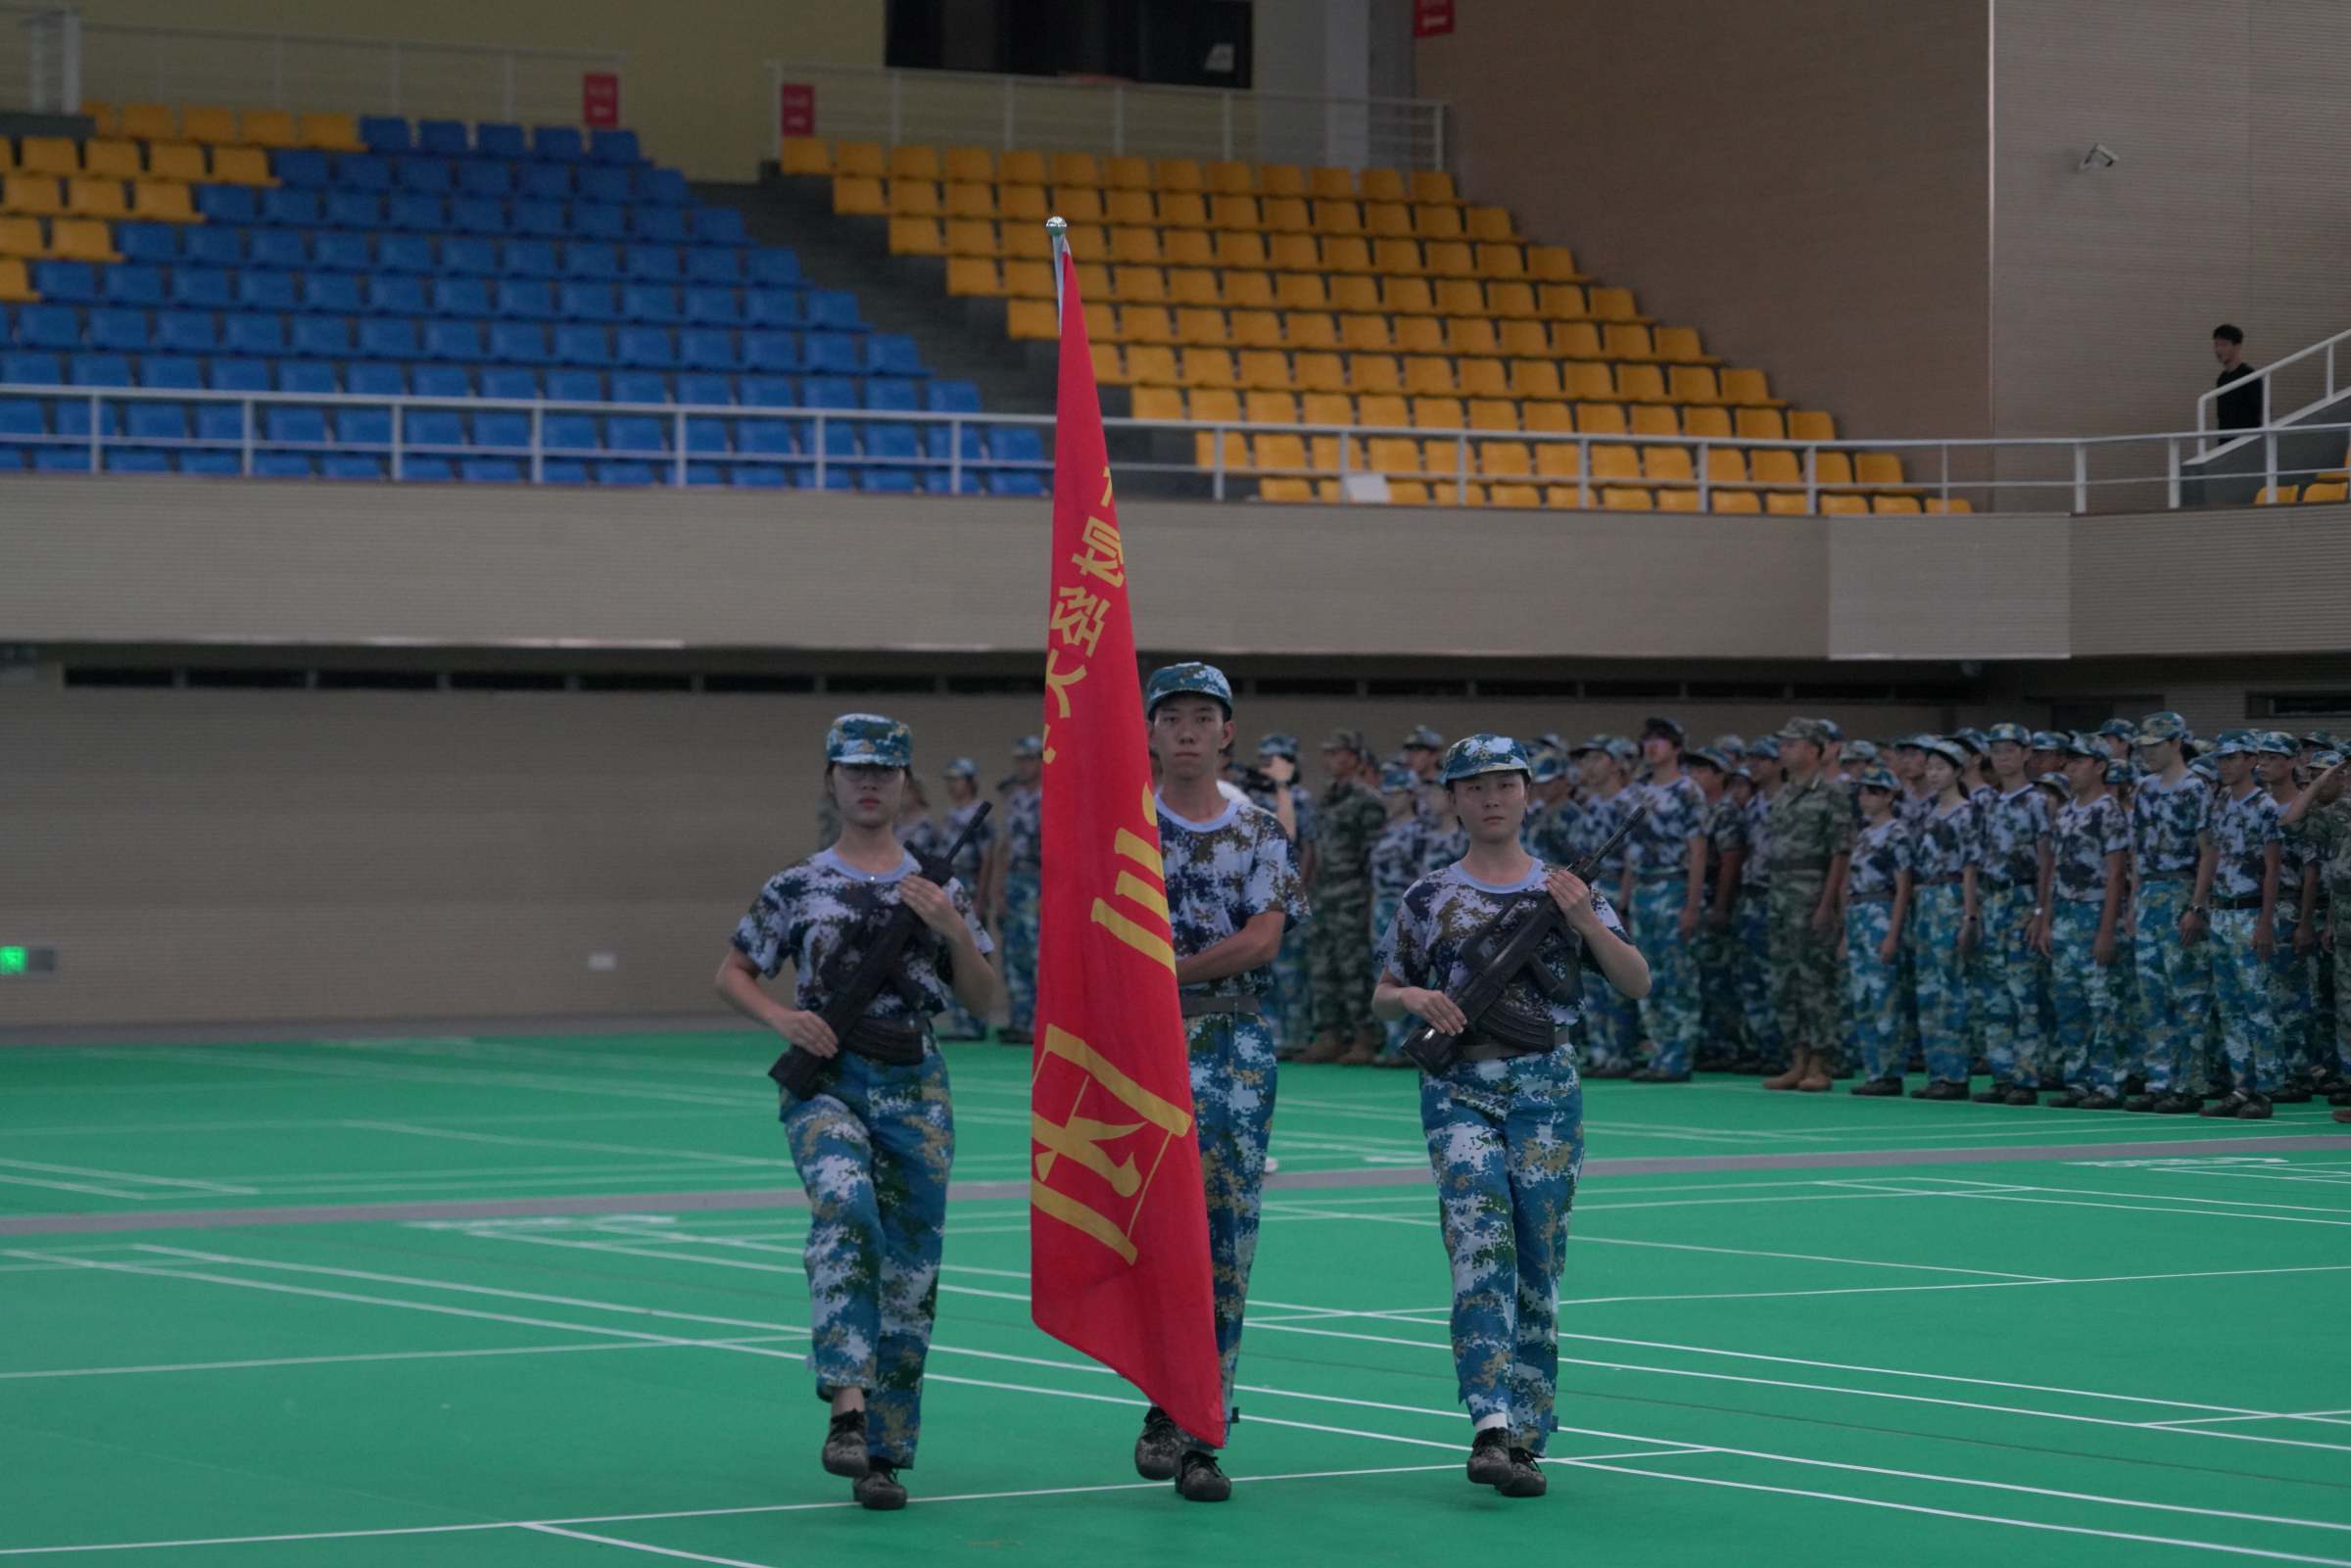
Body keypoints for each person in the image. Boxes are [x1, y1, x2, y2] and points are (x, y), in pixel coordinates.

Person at [714, 714, 1000, 1511]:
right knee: (845, 1206)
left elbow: (989, 997)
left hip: (917, 1084)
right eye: (853, 768)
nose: (869, 782)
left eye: (885, 769)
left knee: (911, 1272)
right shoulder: (798, 883)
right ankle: (845, 1405)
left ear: (907, 782)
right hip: (828, 1081)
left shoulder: (936, 889)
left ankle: (882, 1451)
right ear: (830, 779)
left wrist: (952, 928)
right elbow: (733, 970)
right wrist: (782, 1019)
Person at [1373, 735, 1650, 1500]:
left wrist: (1587, 919)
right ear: (1453, 799)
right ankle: (1489, 1421)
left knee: (1539, 1254)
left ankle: (1528, 1430)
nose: (1491, 798)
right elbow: (1385, 987)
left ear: (1529, 793)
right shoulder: (1429, 896)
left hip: (1548, 1089)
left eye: (1505, 784)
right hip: (1460, 1084)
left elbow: (1635, 980)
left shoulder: (1565, 888)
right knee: (1478, 1242)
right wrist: (1414, 999)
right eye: (1474, 786)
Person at [1131, 662, 1306, 1503]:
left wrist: (1169, 970)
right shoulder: (1122, 825)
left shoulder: (1261, 830)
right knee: (1150, 1236)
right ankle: (1161, 1399)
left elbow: (1262, 940)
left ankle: (1203, 1425)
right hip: (1139, 1053)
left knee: (1224, 1241)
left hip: (1229, 1041)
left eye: (1206, 715)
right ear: (1153, 731)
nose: (1190, 730)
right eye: (1174, 716)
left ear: (1228, 730)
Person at [2036, 736, 2131, 1110]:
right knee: (2069, 1002)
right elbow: (2054, 869)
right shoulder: (2066, 812)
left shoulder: (2107, 811)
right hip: (2065, 914)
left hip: (2095, 912)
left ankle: (2108, 1082)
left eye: (2079, 762)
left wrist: (2107, 930)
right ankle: (2077, 1078)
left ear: (2100, 766)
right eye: (2068, 762)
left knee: (2102, 1002)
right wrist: (2044, 918)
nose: (2070, 768)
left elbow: (2116, 874)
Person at [2123, 713, 2210, 1113]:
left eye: (2155, 745)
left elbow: (2209, 850)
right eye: (2143, 746)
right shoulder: (2143, 788)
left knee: (2187, 991)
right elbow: (2138, 852)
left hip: (2180, 888)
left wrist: (2197, 904)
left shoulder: (2195, 788)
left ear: (2176, 743)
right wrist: (2134, 902)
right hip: (2150, 893)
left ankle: (2190, 1082)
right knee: (2152, 993)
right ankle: (2160, 1080)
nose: (2147, 753)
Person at [2191, 732, 2282, 1118]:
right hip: (2222, 913)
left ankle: (2265, 1088)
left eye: (2233, 758)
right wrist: (2198, 904)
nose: (2225, 765)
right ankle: (2240, 1087)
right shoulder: (2220, 801)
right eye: (2221, 759)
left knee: (2257, 1004)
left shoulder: (2264, 806)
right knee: (2229, 1006)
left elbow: (2273, 868)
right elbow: (2210, 854)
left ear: (2251, 760)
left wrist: (2265, 922)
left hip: (2248, 912)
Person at [1760, 719, 1852, 1091]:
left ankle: (1821, 1060)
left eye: (1792, 744)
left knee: (1816, 979)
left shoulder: (1832, 794)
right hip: (1780, 895)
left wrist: (1828, 903)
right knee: (1785, 981)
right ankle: (1797, 1057)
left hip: (1812, 892)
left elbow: (1840, 854)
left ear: (1814, 750)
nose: (1784, 750)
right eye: (1782, 744)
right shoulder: (1782, 795)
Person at [1621, 717, 1708, 1083]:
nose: (1652, 747)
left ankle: (1679, 1054)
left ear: (1676, 748)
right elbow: (1628, 850)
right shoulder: (1637, 792)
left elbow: (1698, 850)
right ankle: (1658, 1051)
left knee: (1677, 976)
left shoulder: (1688, 791)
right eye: (1647, 740)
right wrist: (1622, 903)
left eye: (1661, 740)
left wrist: (1691, 904)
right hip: (1643, 888)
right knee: (1647, 974)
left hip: (1673, 887)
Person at [1973, 723, 2052, 1105]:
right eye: (1996, 750)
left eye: (2009, 749)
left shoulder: (2036, 802)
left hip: (2022, 896)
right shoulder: (1984, 801)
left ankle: (2027, 1076)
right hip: (1992, 899)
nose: (2002, 757)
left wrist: (2041, 910)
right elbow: (1975, 860)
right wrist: (1971, 913)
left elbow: (2046, 861)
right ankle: (2002, 1073)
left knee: (2024, 991)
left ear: (2026, 754)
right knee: (1995, 992)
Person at [1304, 729, 1391, 1066]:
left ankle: (1364, 1036)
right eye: (1328, 753)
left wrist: (1371, 900)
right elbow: (1313, 846)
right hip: (1324, 893)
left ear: (1354, 759)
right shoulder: (1326, 798)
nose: (1332, 760)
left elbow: (1373, 856)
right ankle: (1329, 1034)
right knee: (1323, 966)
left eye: (1339, 753)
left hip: (1353, 894)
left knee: (1353, 967)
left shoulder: (1367, 800)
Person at [1908, 737, 1981, 1099]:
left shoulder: (1967, 812)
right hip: (1927, 899)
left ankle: (1955, 1074)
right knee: (1928, 989)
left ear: (1957, 771)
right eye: (1930, 767)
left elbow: (1970, 867)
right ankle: (1936, 1071)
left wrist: (1969, 916)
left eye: (1941, 767)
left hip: (1952, 896)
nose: (1934, 774)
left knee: (1952, 988)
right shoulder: (1924, 812)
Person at [2280, 751, 2351, 1117]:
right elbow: (2290, 822)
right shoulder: (2340, 813)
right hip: (2345, 925)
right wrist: (2321, 784)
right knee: (2346, 1011)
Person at [1565, 737, 1640, 1077]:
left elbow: (1634, 861)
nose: (1589, 765)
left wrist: (1624, 902)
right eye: (1586, 759)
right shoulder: (1588, 805)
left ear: (1616, 763)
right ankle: (1602, 1051)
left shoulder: (1629, 804)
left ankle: (1622, 1052)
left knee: (1618, 975)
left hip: (1618, 897)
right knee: (1592, 980)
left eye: (1597, 757)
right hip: (1587, 898)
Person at [2257, 731, 2322, 1102]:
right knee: (2264, 993)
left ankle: (2298, 1071)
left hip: (2291, 901)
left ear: (2293, 762)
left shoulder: (2302, 806)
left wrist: (2305, 921)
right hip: (2260, 903)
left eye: (2274, 758)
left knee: (2292, 995)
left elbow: (2312, 869)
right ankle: (2273, 1069)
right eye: (2262, 758)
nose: (2265, 764)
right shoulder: (2259, 804)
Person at [1245, 734, 1318, 1061]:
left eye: (1275, 760)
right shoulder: (1247, 797)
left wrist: (1296, 888)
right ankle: (1270, 1033)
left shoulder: (1298, 798)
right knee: (1264, 969)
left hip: (1287, 897)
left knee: (1292, 974)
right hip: (1253, 899)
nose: (1267, 766)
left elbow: (1301, 846)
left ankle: (1297, 1036)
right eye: (1264, 759)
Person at [1844, 766, 1914, 1094]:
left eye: (1873, 791)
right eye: (1862, 791)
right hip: (1859, 912)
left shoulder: (1897, 832)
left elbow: (1903, 887)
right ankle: (1873, 1069)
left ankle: (1890, 1070)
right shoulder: (1863, 833)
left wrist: (1893, 934)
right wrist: (1846, 932)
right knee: (1863, 996)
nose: (1865, 798)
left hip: (1881, 912)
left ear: (1889, 796)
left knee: (1885, 995)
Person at [1370, 762, 1438, 1067]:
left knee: (1411, 974)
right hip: (1381, 907)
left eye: (1395, 793)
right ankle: (1391, 1040)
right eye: (1386, 793)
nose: (1389, 799)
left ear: (1410, 795)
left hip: (1407, 908)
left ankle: (1410, 1042)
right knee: (1384, 975)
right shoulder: (1385, 830)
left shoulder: (1420, 833)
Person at [1688, 746, 1749, 1071]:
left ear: (1720, 776)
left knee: (1721, 978)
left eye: (1703, 771)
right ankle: (1709, 1043)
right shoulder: (1697, 809)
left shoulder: (1724, 811)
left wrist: (1721, 905)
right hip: (1697, 898)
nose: (1695, 776)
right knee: (1704, 976)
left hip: (1714, 899)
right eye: (1693, 770)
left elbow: (1730, 860)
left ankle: (1727, 1045)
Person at [984, 736, 1044, 1046]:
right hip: (1016, 881)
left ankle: (1040, 1022)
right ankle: (1020, 1020)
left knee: (1039, 954)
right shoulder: (1015, 800)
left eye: (1028, 759)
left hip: (1040, 881)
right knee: (1014, 953)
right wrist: (998, 890)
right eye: (1019, 760)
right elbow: (1003, 848)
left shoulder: (1051, 796)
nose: (1022, 765)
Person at [1733, 738, 1786, 1075]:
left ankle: (1781, 1050)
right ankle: (1763, 1047)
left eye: (1763, 759)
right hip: (1751, 897)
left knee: (1776, 976)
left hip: (1779, 895)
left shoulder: (1787, 801)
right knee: (1750, 977)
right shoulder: (1753, 806)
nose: (1755, 765)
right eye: (1752, 759)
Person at [936, 758, 997, 1042]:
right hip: (950, 884)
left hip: (970, 885)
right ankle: (961, 1021)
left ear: (970, 781)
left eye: (957, 779)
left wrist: (982, 896)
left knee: (972, 949)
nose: (952, 785)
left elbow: (987, 858)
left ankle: (974, 1022)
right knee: (950, 949)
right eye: (949, 779)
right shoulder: (950, 814)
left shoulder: (978, 815)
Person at [2212, 323, 2262, 433]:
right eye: (2216, 345)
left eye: (2224, 345)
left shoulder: (2249, 376)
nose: (2218, 350)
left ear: (2237, 346)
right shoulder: (2222, 379)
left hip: (2246, 442)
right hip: (2225, 441)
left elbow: (2262, 412)